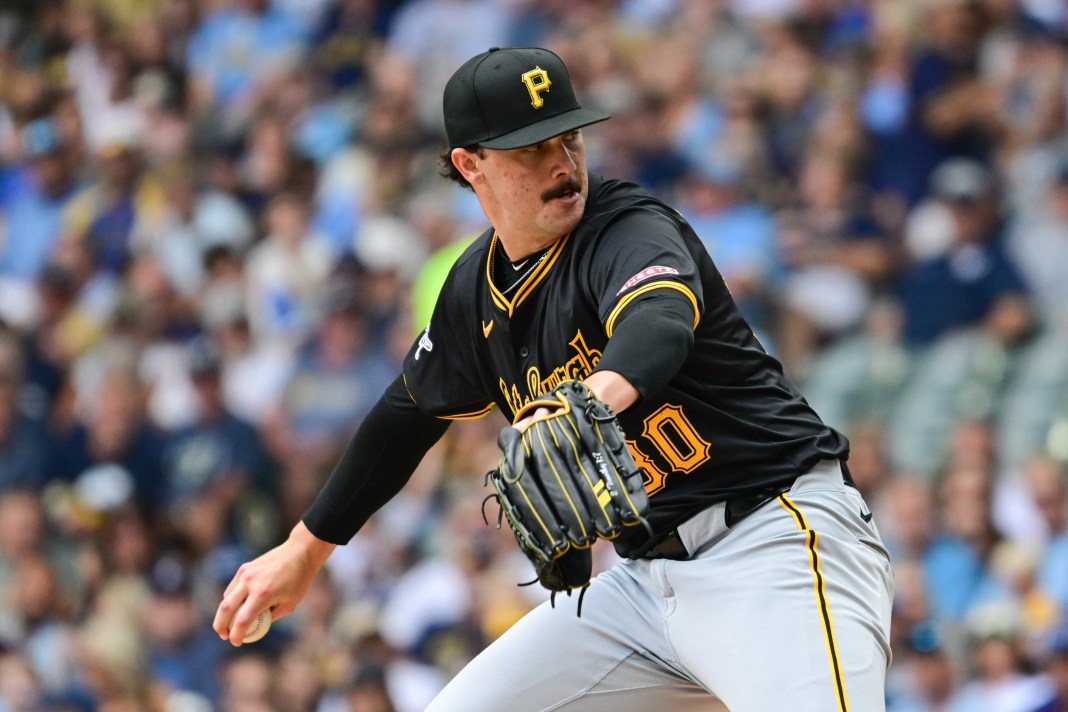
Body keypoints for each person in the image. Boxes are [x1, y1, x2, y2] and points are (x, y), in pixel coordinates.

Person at [215, 46, 893, 711]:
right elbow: (404, 418)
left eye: (567, 138)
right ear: (469, 164)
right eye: (529, 149)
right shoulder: (472, 292)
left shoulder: (626, 228)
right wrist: (304, 551)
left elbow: (659, 321)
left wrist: (588, 400)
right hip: (646, 588)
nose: (561, 163)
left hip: (777, 547)